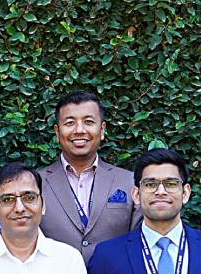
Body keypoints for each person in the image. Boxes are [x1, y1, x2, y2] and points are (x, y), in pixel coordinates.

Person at [37, 91, 141, 263]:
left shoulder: (130, 182)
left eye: (88, 122)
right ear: (57, 132)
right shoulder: (36, 184)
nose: (79, 130)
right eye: (70, 123)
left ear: (102, 129)